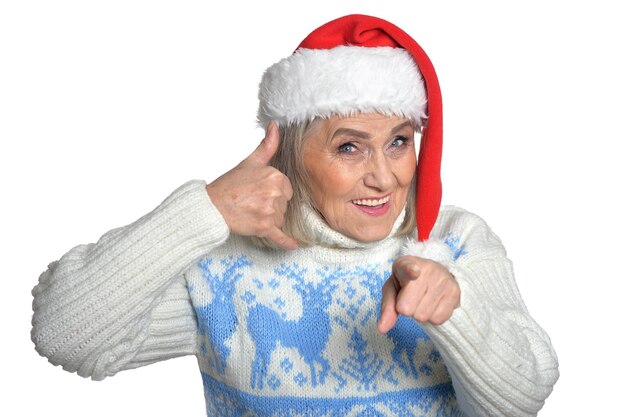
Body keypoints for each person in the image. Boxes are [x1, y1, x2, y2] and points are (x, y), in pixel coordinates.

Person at [31, 14, 559, 417]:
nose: (384, 176)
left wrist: (457, 313)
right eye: (350, 148)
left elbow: (524, 399)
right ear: (292, 156)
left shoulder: (455, 239)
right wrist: (201, 211)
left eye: (398, 142)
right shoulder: (221, 264)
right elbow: (67, 335)